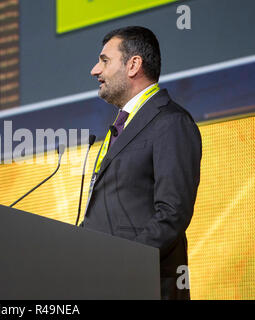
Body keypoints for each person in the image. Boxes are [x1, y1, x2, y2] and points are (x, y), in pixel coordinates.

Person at [80, 26, 202, 300]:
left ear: (134, 64)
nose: (94, 70)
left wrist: (124, 264)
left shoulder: (171, 121)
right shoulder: (120, 126)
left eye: (104, 60)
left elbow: (173, 212)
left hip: (144, 285)